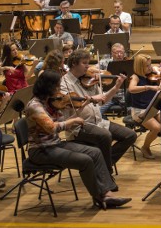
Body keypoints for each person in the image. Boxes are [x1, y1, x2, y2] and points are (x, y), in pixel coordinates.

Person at [25, 70, 131, 209]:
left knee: (95, 152)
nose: (59, 89)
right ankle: (100, 197)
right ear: (48, 87)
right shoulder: (35, 106)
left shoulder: (50, 103)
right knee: (85, 160)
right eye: (57, 86)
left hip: (55, 144)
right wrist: (72, 121)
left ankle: (107, 192)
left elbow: (63, 121)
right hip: (41, 150)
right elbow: (51, 128)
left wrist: (80, 107)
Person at [60, 50, 136, 174]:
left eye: (88, 63)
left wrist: (116, 87)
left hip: (99, 122)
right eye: (84, 63)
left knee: (130, 135)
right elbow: (72, 105)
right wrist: (90, 99)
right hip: (79, 127)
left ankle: (102, 163)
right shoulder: (64, 84)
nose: (88, 66)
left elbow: (103, 100)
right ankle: (106, 172)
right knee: (105, 136)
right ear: (74, 64)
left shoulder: (89, 79)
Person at [128, 54, 161, 163]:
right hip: (139, 110)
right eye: (147, 66)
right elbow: (131, 89)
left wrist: (157, 70)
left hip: (153, 107)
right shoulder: (135, 77)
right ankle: (145, 147)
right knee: (157, 128)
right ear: (140, 67)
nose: (150, 68)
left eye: (150, 65)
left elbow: (157, 71)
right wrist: (149, 87)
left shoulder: (152, 74)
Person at [99, 43, 127, 119]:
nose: (119, 55)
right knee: (97, 112)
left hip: (125, 96)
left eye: (121, 52)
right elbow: (91, 70)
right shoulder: (104, 62)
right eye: (117, 52)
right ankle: (107, 127)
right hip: (110, 95)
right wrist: (103, 72)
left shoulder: (128, 64)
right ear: (112, 53)